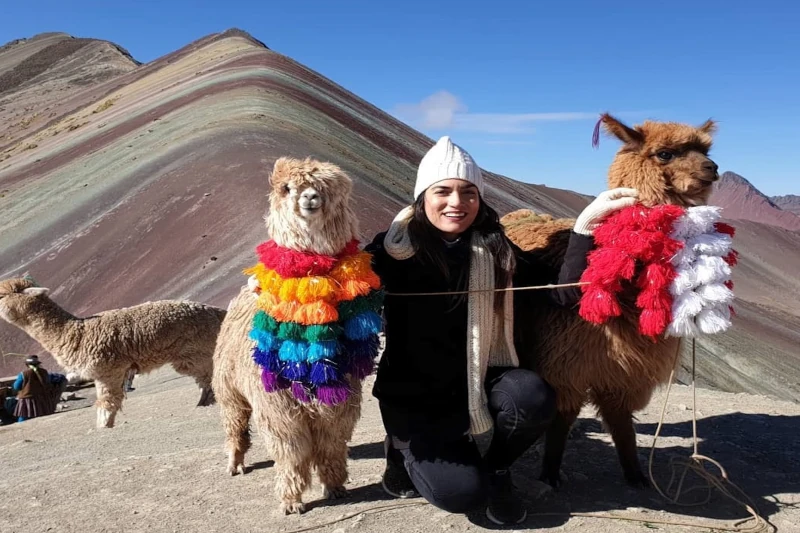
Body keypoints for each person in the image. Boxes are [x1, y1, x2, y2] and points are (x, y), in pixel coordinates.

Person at [365, 136, 637, 525]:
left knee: (533, 396)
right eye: (443, 191)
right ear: (422, 197)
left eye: (468, 192)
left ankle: (496, 467)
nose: (456, 202)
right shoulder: (391, 251)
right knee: (462, 493)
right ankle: (400, 452)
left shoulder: (495, 248)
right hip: (416, 397)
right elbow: (343, 285)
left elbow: (560, 294)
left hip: (481, 377)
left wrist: (584, 227)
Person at [12, 355, 56, 422]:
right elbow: (48, 382)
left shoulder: (23, 374)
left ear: (27, 364)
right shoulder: (44, 372)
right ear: (38, 363)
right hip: (42, 398)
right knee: (43, 415)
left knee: (24, 415)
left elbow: (16, 386)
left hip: (27, 399)